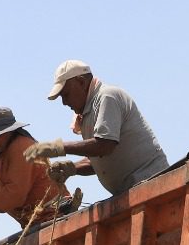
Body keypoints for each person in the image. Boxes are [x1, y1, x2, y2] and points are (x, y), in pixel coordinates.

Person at [24, 60, 169, 197]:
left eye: (66, 94)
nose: (64, 102)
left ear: (81, 82)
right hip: (133, 190)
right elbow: (99, 159)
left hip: (153, 182)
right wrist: (72, 168)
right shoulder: (86, 114)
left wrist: (59, 147)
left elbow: (104, 146)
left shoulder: (107, 96)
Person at [0, 107, 72, 227]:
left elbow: (15, 195)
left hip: (55, 215)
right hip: (34, 222)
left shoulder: (22, 148)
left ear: (10, 131)